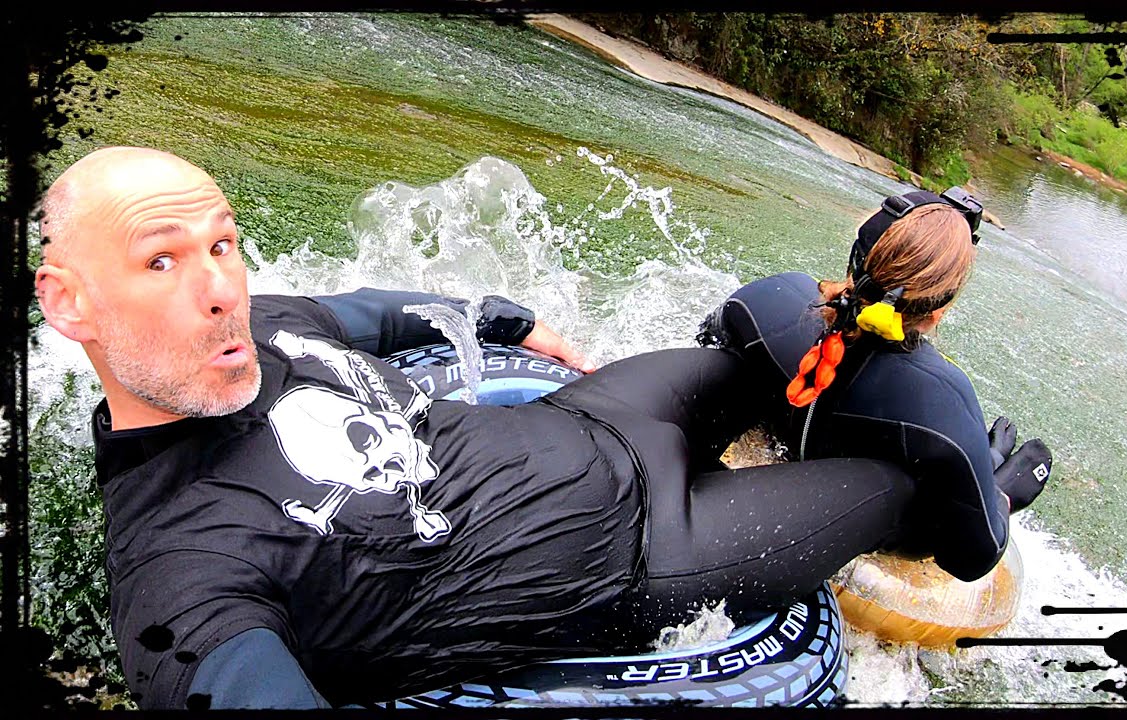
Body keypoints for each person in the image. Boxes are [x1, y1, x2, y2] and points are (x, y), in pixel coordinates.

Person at [36, 147, 921, 709]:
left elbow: (373, 316)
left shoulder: (265, 322)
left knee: (800, 337)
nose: (220, 287)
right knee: (901, 482)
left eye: (222, 243)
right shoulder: (179, 577)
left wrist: (504, 319)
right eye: (161, 260)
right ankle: (980, 500)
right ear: (68, 303)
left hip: (597, 415)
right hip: (654, 549)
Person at [697, 187, 1054, 582]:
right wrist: (1000, 495)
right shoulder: (942, 398)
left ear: (857, 257)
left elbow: (707, 346)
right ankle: (989, 473)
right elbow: (971, 558)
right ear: (937, 311)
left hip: (756, 468)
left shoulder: (767, 296)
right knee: (973, 471)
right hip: (855, 519)